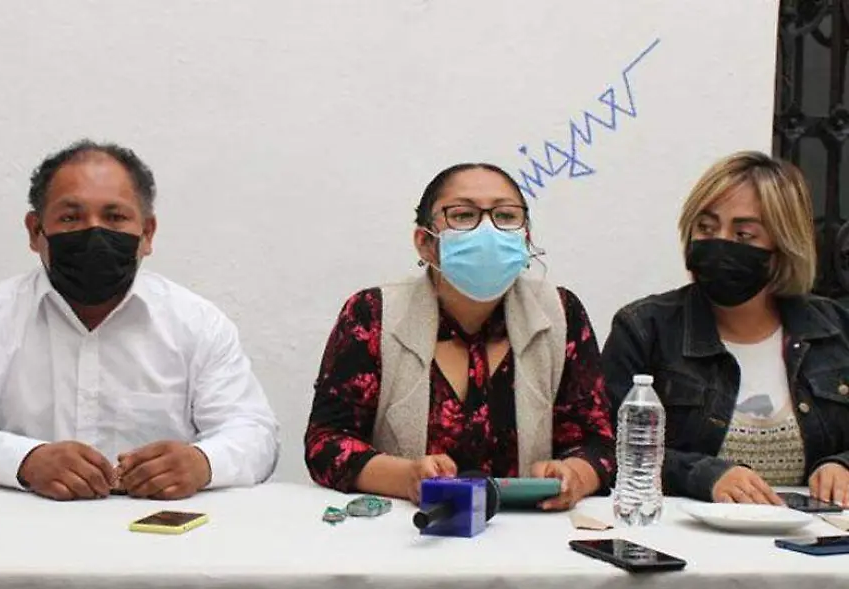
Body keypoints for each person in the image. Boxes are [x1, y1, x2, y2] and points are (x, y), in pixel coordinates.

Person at [0, 140, 279, 500]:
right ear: (35, 231)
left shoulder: (197, 324)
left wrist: (202, 463)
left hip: (154, 528)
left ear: (148, 233)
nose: (94, 232)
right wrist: (25, 461)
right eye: (70, 218)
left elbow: (254, 433)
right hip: (19, 526)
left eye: (115, 217)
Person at [304, 163, 615, 508]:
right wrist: (407, 478)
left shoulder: (560, 313)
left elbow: (598, 443)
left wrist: (574, 476)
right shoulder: (373, 314)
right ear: (425, 243)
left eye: (506, 216)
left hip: (529, 529)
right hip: (408, 529)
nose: (488, 230)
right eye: (464, 216)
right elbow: (326, 444)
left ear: (525, 238)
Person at [603, 151, 849, 506]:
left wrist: (841, 466)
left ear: (782, 246)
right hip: (688, 532)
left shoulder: (835, 330)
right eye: (706, 228)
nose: (720, 243)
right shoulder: (644, 328)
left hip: (813, 534)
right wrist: (704, 475)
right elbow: (607, 447)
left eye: (743, 234)